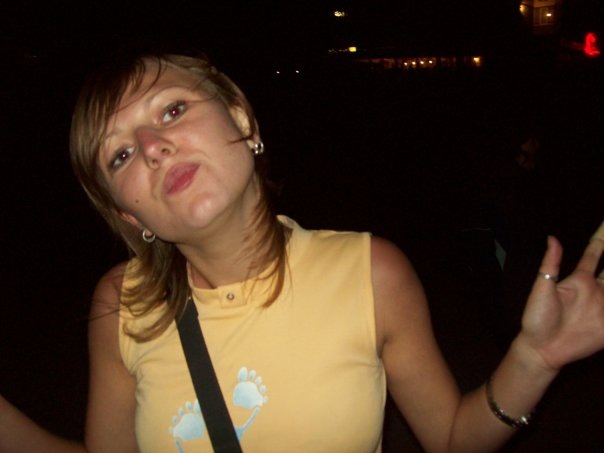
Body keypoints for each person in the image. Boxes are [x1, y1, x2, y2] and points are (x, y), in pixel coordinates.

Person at [1, 51, 603, 452]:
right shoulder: (122, 303)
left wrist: (535, 358)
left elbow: (449, 437)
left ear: (242, 121)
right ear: (130, 216)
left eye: (173, 110)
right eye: (121, 155)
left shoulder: (371, 272)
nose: (153, 145)